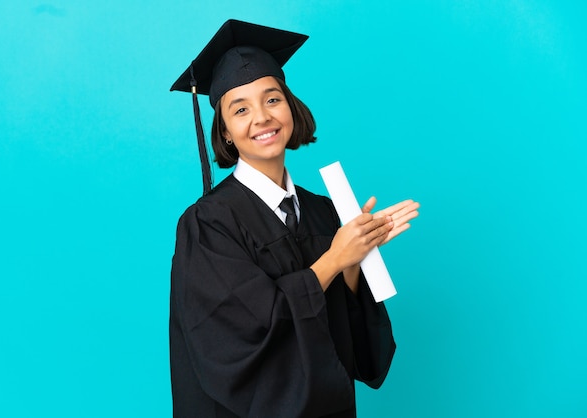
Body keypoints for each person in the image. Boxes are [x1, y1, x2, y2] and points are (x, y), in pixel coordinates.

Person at [169, 19, 419, 418]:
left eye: (272, 99)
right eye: (240, 109)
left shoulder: (324, 211)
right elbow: (236, 338)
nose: (262, 117)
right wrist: (334, 258)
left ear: (290, 107)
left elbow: (351, 348)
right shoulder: (208, 224)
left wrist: (357, 258)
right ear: (226, 132)